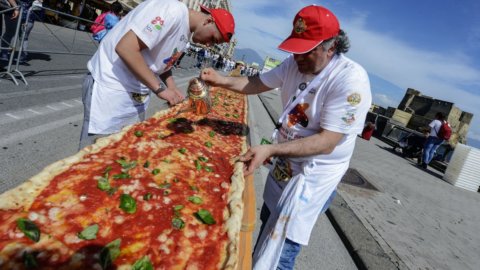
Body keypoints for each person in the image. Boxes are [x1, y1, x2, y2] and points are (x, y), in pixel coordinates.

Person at [200, 5, 371, 269]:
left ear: (331, 47)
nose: (298, 56)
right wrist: (221, 80)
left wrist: (270, 150)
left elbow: (327, 142)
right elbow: (257, 83)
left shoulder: (350, 81)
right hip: (285, 162)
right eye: (296, 48)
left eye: (307, 50)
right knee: (268, 220)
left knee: (281, 248)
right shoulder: (294, 63)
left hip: (313, 176)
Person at [79, 0, 235, 149]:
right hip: (111, 88)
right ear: (208, 21)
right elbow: (126, 48)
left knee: (122, 154)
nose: (209, 45)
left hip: (134, 94)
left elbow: (163, 62)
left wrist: (172, 87)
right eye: (213, 39)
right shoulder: (171, 11)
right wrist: (161, 90)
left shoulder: (187, 29)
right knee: (93, 158)